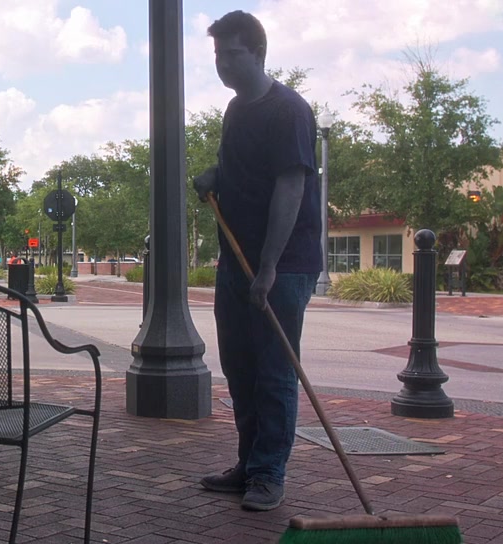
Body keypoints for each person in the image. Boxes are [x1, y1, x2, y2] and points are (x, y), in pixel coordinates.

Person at [192, 10, 321, 512]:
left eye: (232, 54)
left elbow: (290, 188)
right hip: (236, 262)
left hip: (282, 266)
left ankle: (268, 474)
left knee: (273, 371)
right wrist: (214, 176)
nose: (223, 64)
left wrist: (268, 268)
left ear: (259, 53)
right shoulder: (234, 111)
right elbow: (239, 170)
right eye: (218, 55)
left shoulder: (288, 111)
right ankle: (248, 465)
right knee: (240, 367)